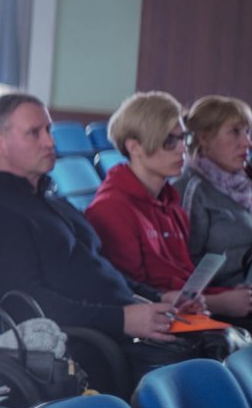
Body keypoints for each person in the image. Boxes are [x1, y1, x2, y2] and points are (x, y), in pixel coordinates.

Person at [0, 93, 196, 387]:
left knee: (214, 344)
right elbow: (26, 305)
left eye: (48, 130)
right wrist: (121, 319)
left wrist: (158, 297)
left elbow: (102, 271)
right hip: (84, 348)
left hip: (116, 332)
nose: (49, 141)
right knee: (197, 368)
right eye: (34, 133)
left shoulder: (51, 202)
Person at [87, 92, 252, 321]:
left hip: (185, 313)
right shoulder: (111, 208)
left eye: (183, 138)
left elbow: (183, 279)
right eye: (169, 141)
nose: (182, 149)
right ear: (135, 147)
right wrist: (220, 303)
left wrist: (226, 295)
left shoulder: (169, 202)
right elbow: (129, 294)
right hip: (156, 326)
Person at [178, 96, 252, 290]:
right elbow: (184, 272)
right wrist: (225, 299)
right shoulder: (193, 190)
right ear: (204, 138)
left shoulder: (245, 183)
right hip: (226, 306)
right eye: (235, 132)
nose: (247, 142)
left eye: (247, 132)